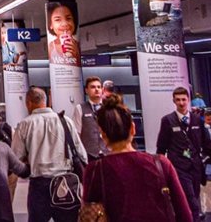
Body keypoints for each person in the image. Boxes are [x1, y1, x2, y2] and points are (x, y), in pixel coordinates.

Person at [83, 94, 192, 222]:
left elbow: (89, 214)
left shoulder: (95, 170)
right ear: (133, 129)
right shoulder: (161, 163)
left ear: (103, 134)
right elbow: (185, 215)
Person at [12, 86, 87, 222]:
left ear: (28, 103)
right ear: (46, 101)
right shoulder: (66, 121)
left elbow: (15, 157)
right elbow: (81, 153)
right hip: (65, 183)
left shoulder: (24, 124)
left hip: (39, 184)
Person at [156, 86, 211, 221]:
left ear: (189, 100)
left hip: (196, 167)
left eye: (184, 99)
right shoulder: (167, 120)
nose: (181, 103)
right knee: (191, 200)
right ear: (174, 101)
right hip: (178, 167)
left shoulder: (197, 120)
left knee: (194, 197)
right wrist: (161, 169)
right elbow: (161, 147)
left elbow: (207, 144)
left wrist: (205, 159)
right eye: (178, 100)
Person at [72, 76, 109, 161]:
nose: (96, 89)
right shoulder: (80, 108)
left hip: (107, 153)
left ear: (102, 90)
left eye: (99, 87)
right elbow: (77, 134)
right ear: (86, 90)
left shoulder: (109, 108)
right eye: (93, 87)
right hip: (88, 155)